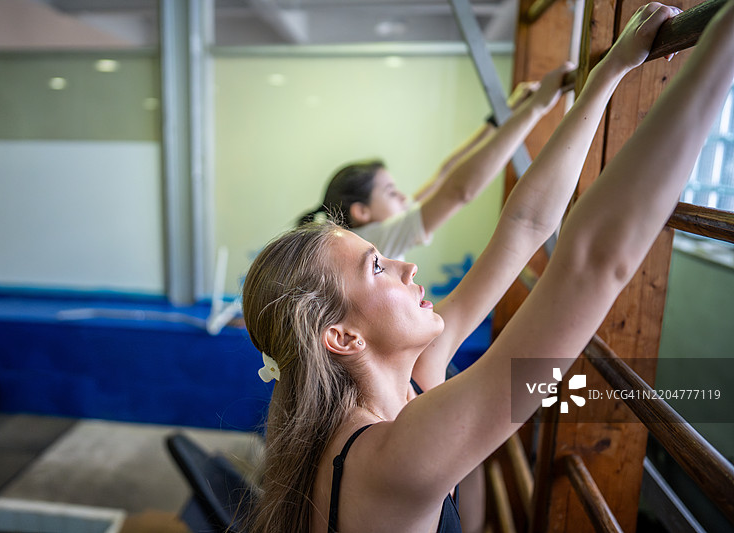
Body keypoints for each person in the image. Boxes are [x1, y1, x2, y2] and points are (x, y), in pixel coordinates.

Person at [241, 2, 734, 532]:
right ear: (342, 337)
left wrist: (609, 73)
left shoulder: (414, 380)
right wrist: (722, 42)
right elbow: (592, 263)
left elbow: (525, 225)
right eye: (378, 267)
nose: (408, 268)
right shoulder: (393, 457)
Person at [296, 69, 571, 260]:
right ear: (362, 212)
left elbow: (444, 175)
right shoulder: (375, 239)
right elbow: (458, 190)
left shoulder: (360, 235)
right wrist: (536, 109)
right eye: (391, 192)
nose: (404, 196)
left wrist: (504, 115)